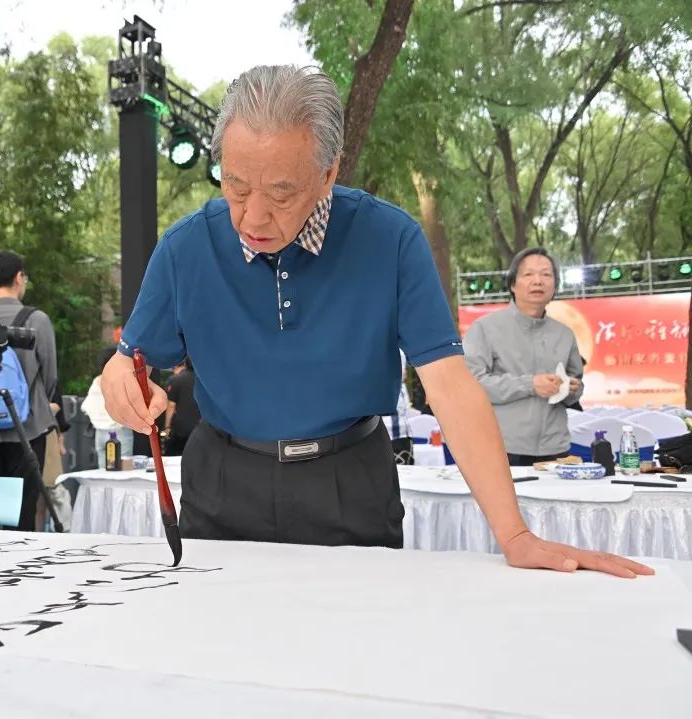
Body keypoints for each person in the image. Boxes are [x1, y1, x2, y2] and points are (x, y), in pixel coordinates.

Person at [100, 65, 648, 579]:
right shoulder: (186, 247)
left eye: (281, 193)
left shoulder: (390, 240)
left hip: (348, 480)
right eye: (236, 186)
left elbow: (452, 389)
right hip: (222, 480)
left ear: (328, 174)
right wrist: (123, 382)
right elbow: (128, 365)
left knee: (364, 654)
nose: (254, 216)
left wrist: (515, 536)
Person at [464, 248, 585, 466]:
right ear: (513, 284)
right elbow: (471, 383)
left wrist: (571, 388)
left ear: (555, 286)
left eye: (546, 275)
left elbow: (576, 383)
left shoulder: (564, 334)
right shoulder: (485, 328)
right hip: (502, 447)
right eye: (528, 274)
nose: (538, 281)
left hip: (556, 448)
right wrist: (530, 384)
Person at [0, 250, 58, 531]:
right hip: (29, 429)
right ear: (18, 278)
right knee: (25, 513)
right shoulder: (36, 320)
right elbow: (50, 377)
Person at [82, 347, 134, 469]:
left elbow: (86, 407)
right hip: (119, 431)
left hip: (100, 433)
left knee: (103, 474)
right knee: (123, 473)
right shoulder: (122, 379)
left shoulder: (97, 381)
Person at [164, 358, 200, 456]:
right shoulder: (203, 381)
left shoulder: (176, 380)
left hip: (180, 430)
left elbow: (171, 406)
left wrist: (167, 427)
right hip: (201, 428)